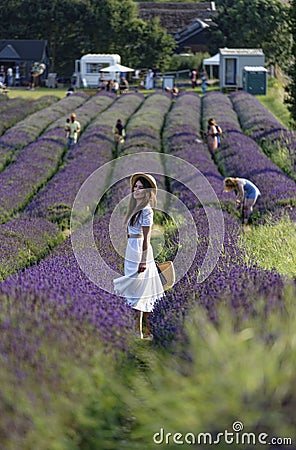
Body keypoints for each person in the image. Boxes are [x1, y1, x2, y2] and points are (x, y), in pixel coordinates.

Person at [113, 173, 164, 339]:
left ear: (147, 191)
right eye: (135, 187)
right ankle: (142, 331)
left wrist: (143, 260)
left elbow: (146, 237)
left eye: (140, 187)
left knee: (139, 292)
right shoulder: (134, 208)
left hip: (140, 251)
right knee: (137, 291)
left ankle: (141, 332)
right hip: (131, 249)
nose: (136, 190)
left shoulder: (147, 210)